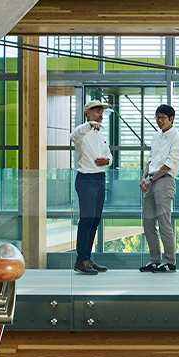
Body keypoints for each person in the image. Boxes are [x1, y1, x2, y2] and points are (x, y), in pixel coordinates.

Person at [139, 103, 179, 274]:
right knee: (148, 223)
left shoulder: (178, 138)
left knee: (164, 223)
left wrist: (151, 179)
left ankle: (170, 262)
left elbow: (169, 164)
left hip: (164, 181)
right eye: (157, 117)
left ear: (171, 118)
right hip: (151, 181)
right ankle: (154, 261)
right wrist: (144, 178)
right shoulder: (155, 136)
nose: (159, 121)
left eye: (163, 118)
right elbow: (150, 160)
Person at [68, 99, 112, 276]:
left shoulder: (100, 134)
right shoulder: (82, 131)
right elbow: (73, 136)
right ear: (88, 113)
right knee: (87, 219)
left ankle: (87, 258)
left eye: (102, 112)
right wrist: (89, 125)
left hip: (100, 179)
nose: (101, 115)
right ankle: (80, 259)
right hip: (86, 179)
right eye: (98, 112)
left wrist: (107, 161)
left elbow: (109, 154)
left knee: (95, 220)